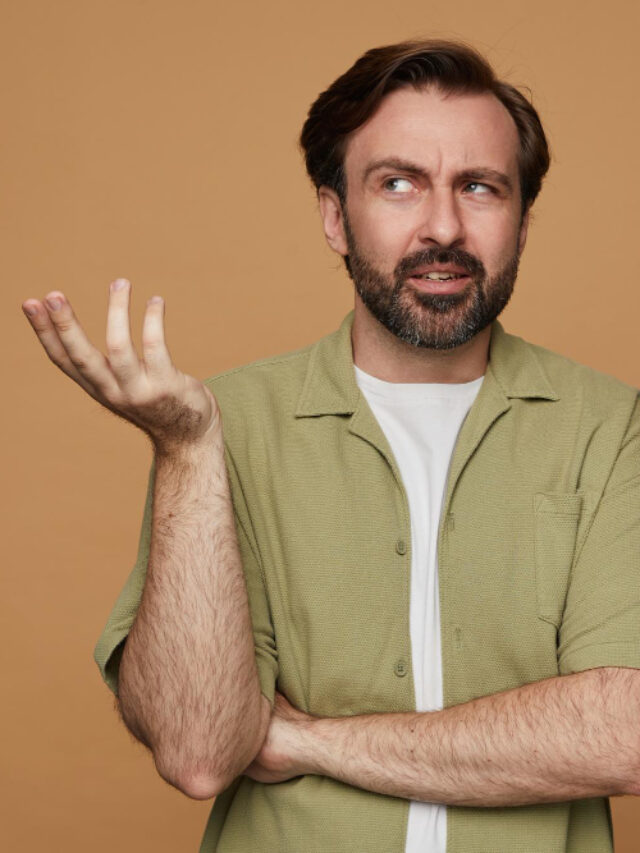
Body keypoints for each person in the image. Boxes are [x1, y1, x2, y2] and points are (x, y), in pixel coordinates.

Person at [22, 39, 640, 853]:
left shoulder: (609, 424)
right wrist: (186, 448)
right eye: (398, 184)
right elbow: (202, 750)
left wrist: (306, 741)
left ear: (522, 220)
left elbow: (623, 731)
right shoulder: (228, 422)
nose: (443, 226)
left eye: (480, 187)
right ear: (333, 217)